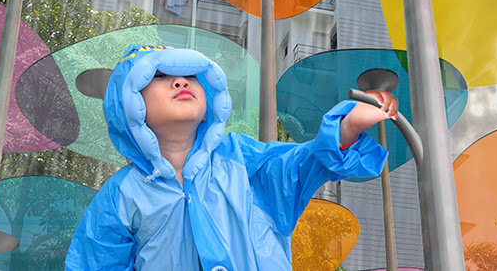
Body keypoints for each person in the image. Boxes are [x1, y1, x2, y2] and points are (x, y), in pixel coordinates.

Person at [64, 43, 398, 271]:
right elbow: (97, 262)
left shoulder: (243, 160)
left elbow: (300, 165)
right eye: (159, 77)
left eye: (189, 75)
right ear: (129, 105)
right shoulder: (122, 194)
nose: (180, 81)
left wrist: (348, 124)